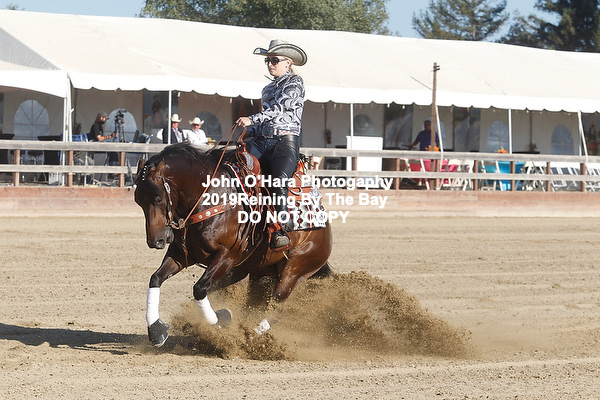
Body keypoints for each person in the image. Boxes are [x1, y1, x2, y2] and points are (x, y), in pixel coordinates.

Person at [235, 39, 308, 250]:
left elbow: (280, 110)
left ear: (288, 63)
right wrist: (248, 131)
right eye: (267, 60)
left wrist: (251, 119)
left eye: (274, 60)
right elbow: (266, 120)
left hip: (285, 142)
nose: (270, 64)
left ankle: (282, 229)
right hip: (263, 140)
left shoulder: (295, 82)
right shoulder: (267, 88)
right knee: (234, 166)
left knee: (279, 181)